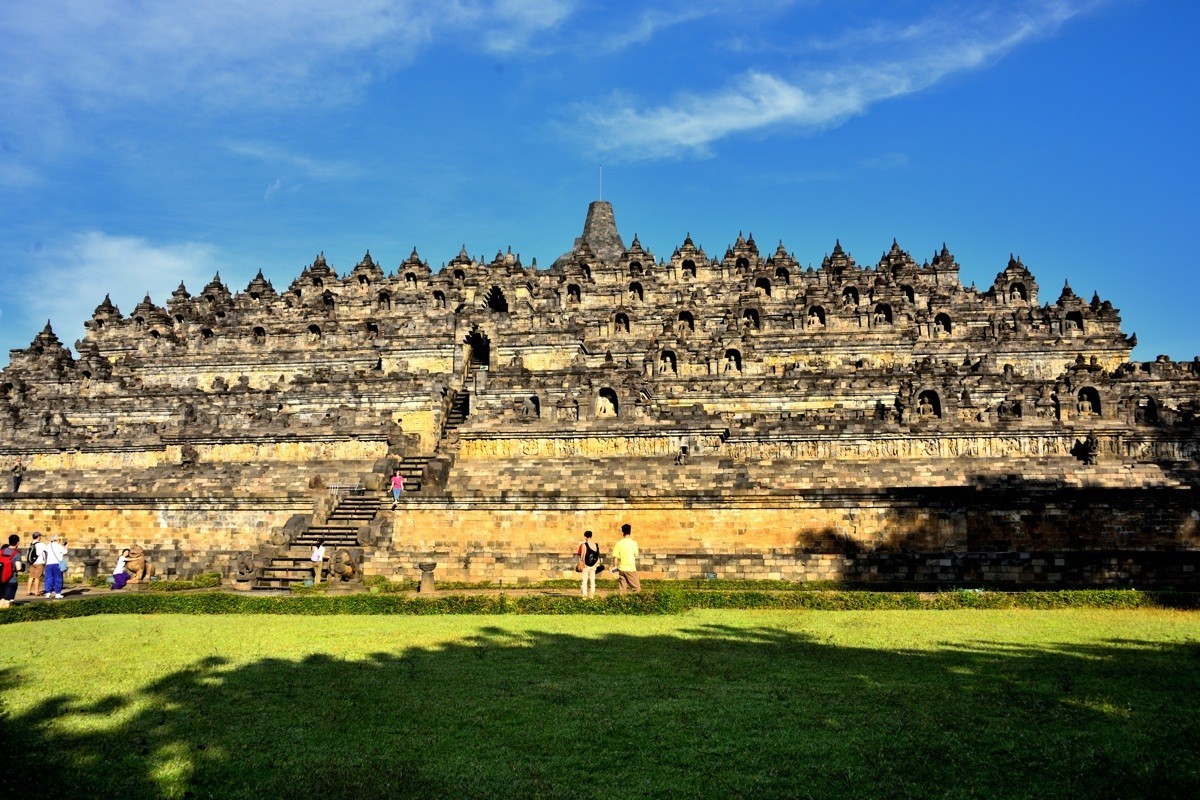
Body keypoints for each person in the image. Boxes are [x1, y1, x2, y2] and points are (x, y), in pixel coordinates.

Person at [611, 523, 640, 594]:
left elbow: (615, 557)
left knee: (622, 590)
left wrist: (615, 569)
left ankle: (621, 603)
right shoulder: (634, 543)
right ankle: (634, 604)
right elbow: (636, 554)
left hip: (621, 569)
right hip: (630, 569)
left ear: (622, 532)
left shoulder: (618, 543)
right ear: (630, 531)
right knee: (637, 589)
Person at [37, 534, 66, 599]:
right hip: (57, 563)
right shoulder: (59, 546)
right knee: (58, 578)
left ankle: (48, 593)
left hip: (49, 564)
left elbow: (45, 551)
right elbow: (65, 552)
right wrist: (65, 546)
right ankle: (57, 593)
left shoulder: (48, 546)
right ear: (58, 540)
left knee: (49, 578)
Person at [577, 530, 601, 599]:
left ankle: (584, 596)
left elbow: (581, 555)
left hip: (585, 565)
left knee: (584, 581)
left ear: (585, 536)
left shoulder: (584, 545)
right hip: (593, 565)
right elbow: (597, 555)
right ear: (591, 536)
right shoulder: (596, 545)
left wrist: (581, 562)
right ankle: (592, 596)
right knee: (592, 580)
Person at [0, 534, 21, 609]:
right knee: (7, 600)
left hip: (1, 578)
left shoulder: (1, 551)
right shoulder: (17, 554)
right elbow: (18, 568)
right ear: (18, 543)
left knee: (1, 599)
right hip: (11, 579)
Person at [25, 531, 43, 596]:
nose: (41, 537)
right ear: (38, 537)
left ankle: (28, 591)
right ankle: (36, 592)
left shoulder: (31, 543)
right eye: (40, 536)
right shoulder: (41, 544)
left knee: (31, 577)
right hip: (39, 562)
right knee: (37, 577)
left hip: (32, 562)